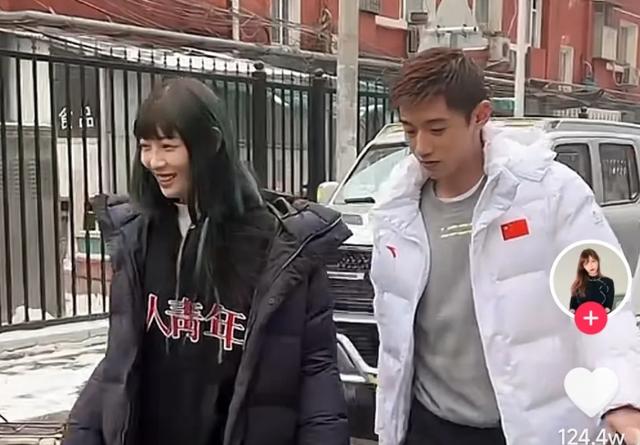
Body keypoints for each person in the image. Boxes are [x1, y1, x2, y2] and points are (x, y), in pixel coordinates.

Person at [369, 47, 640, 445]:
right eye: (410, 130)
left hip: (525, 428)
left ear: (480, 116)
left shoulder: (549, 193)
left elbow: (600, 303)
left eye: (437, 129)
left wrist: (621, 398)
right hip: (427, 425)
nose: (421, 146)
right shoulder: (396, 210)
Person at [62, 78, 351, 445]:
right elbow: (121, 361)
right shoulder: (139, 235)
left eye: (168, 146)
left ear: (211, 144)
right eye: (146, 147)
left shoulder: (282, 244)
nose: (154, 161)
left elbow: (316, 369)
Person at [570, 248, 615, 313]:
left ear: (598, 261)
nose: (591, 265)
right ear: (583, 266)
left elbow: (608, 307)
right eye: (586, 263)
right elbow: (572, 308)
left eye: (593, 261)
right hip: (582, 317)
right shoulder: (578, 284)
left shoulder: (608, 282)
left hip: (602, 316)